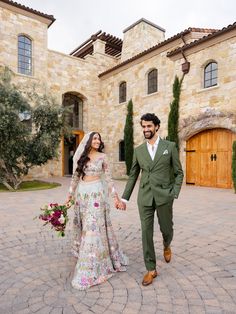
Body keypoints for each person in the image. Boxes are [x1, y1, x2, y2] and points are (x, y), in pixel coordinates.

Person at [116, 113, 183, 286]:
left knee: (167, 228)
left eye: (149, 126)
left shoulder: (170, 146)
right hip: (144, 196)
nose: (146, 129)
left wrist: (173, 192)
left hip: (164, 196)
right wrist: (124, 199)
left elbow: (178, 173)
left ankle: (167, 244)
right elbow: (133, 176)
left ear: (156, 127)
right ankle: (151, 269)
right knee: (146, 232)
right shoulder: (139, 151)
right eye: (143, 127)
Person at [66, 131, 128, 290]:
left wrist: (116, 197)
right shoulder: (82, 157)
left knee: (92, 229)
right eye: (94, 138)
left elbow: (108, 179)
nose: (97, 140)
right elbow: (75, 178)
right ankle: (91, 254)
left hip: (97, 196)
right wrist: (70, 196)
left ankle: (90, 265)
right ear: (88, 141)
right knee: (86, 228)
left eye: (98, 138)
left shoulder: (103, 157)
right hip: (83, 195)